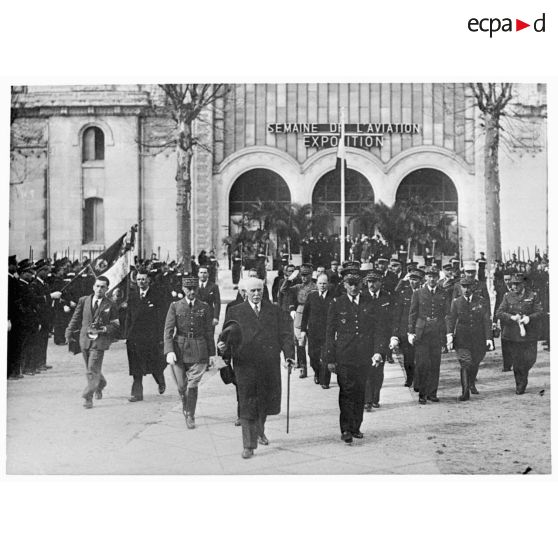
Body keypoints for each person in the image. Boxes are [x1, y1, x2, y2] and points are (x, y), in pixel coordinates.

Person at [217, 277, 295, 459]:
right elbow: (226, 336)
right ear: (245, 292)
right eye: (252, 291)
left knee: (265, 402)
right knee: (246, 403)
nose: (257, 294)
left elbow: (285, 335)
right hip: (245, 365)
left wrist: (289, 356)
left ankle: (260, 429)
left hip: (269, 364)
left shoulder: (274, 311)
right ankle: (248, 445)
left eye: (259, 290)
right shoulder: (235, 311)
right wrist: (223, 349)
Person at [326, 270, 382, 444]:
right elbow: (329, 332)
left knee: (360, 391)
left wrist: (378, 351)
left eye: (356, 284)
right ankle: (345, 429)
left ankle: (356, 426)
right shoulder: (337, 303)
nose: (353, 287)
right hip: (344, 356)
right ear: (344, 285)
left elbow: (377, 330)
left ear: (361, 285)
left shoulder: (370, 303)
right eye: (350, 284)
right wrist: (330, 358)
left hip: (364, 356)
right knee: (346, 392)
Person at [164, 275, 216, 428]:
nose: (191, 291)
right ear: (183, 289)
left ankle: (190, 414)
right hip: (179, 348)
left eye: (194, 289)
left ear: (197, 289)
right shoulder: (175, 306)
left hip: (199, 348)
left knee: (192, 384)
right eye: (188, 289)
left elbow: (208, 331)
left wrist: (212, 354)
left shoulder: (204, 307)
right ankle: (185, 405)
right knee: (181, 386)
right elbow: (168, 330)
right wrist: (169, 351)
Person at [65, 276, 120, 409]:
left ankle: (88, 397)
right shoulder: (83, 300)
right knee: (91, 369)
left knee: (92, 368)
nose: (99, 289)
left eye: (103, 287)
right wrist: (69, 331)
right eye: (97, 286)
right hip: (84, 339)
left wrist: (105, 329)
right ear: (93, 287)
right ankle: (100, 384)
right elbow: (76, 317)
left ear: (107, 289)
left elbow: (116, 324)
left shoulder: (110, 304)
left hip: (100, 341)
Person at [446, 277, 494, 401]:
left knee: (475, 362)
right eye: (464, 286)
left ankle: (471, 382)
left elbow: (486, 320)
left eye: (468, 286)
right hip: (462, 338)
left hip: (478, 338)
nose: (466, 289)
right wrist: (450, 335)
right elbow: (451, 319)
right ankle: (465, 391)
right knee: (465, 363)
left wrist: (489, 338)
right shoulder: (456, 302)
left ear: (473, 287)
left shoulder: (481, 301)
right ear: (460, 288)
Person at [496, 273, 543, 394]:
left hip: (530, 333)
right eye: (512, 284)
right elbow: (499, 312)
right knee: (517, 361)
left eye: (517, 284)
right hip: (513, 334)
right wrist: (511, 317)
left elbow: (540, 312)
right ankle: (520, 384)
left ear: (523, 284)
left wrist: (529, 318)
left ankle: (524, 375)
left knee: (531, 359)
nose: (514, 286)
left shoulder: (533, 295)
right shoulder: (507, 296)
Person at [408, 266, 450, 404]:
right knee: (422, 363)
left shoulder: (443, 293)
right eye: (429, 276)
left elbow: (446, 314)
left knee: (435, 364)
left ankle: (432, 393)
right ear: (425, 278)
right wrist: (411, 332)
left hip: (437, 332)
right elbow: (412, 314)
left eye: (434, 277)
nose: (432, 279)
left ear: (438, 278)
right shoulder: (418, 293)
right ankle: (422, 393)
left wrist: (447, 334)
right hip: (422, 332)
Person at [125, 268, 167, 402]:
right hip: (134, 337)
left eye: (143, 279)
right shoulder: (132, 296)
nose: (141, 282)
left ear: (149, 280)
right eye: (138, 279)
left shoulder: (157, 295)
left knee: (154, 363)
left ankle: (160, 379)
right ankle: (137, 393)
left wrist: (161, 336)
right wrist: (127, 334)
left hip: (151, 336)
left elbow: (162, 318)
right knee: (136, 366)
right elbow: (128, 317)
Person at [361, 270, 392, 409]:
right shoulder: (362, 296)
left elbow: (392, 318)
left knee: (378, 370)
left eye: (374, 281)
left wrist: (393, 336)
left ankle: (375, 398)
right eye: (369, 282)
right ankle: (367, 399)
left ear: (380, 282)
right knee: (367, 369)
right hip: (365, 338)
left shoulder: (388, 297)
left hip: (382, 337)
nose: (371, 284)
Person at [282, 263, 317, 378]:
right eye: (302, 275)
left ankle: (316, 368)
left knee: (314, 343)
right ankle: (302, 367)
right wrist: (290, 278)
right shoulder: (297, 287)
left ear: (311, 274)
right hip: (300, 313)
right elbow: (283, 290)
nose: (304, 277)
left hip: (313, 314)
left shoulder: (316, 286)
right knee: (300, 343)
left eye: (306, 275)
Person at [300, 273, 335, 388]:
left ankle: (325, 381)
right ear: (316, 284)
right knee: (312, 355)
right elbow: (305, 314)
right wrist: (303, 330)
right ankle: (317, 372)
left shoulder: (333, 297)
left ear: (328, 284)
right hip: (313, 332)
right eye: (320, 283)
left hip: (327, 332)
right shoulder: (312, 296)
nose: (322, 286)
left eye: (325, 283)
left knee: (326, 356)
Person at [390, 269, 423, 389]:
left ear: (421, 281)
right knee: (408, 358)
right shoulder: (403, 293)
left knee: (420, 357)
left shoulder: (423, 293)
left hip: (420, 330)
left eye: (416, 279)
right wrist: (395, 332)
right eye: (411, 279)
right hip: (405, 330)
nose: (413, 282)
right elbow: (397, 313)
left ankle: (418, 381)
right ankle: (410, 378)